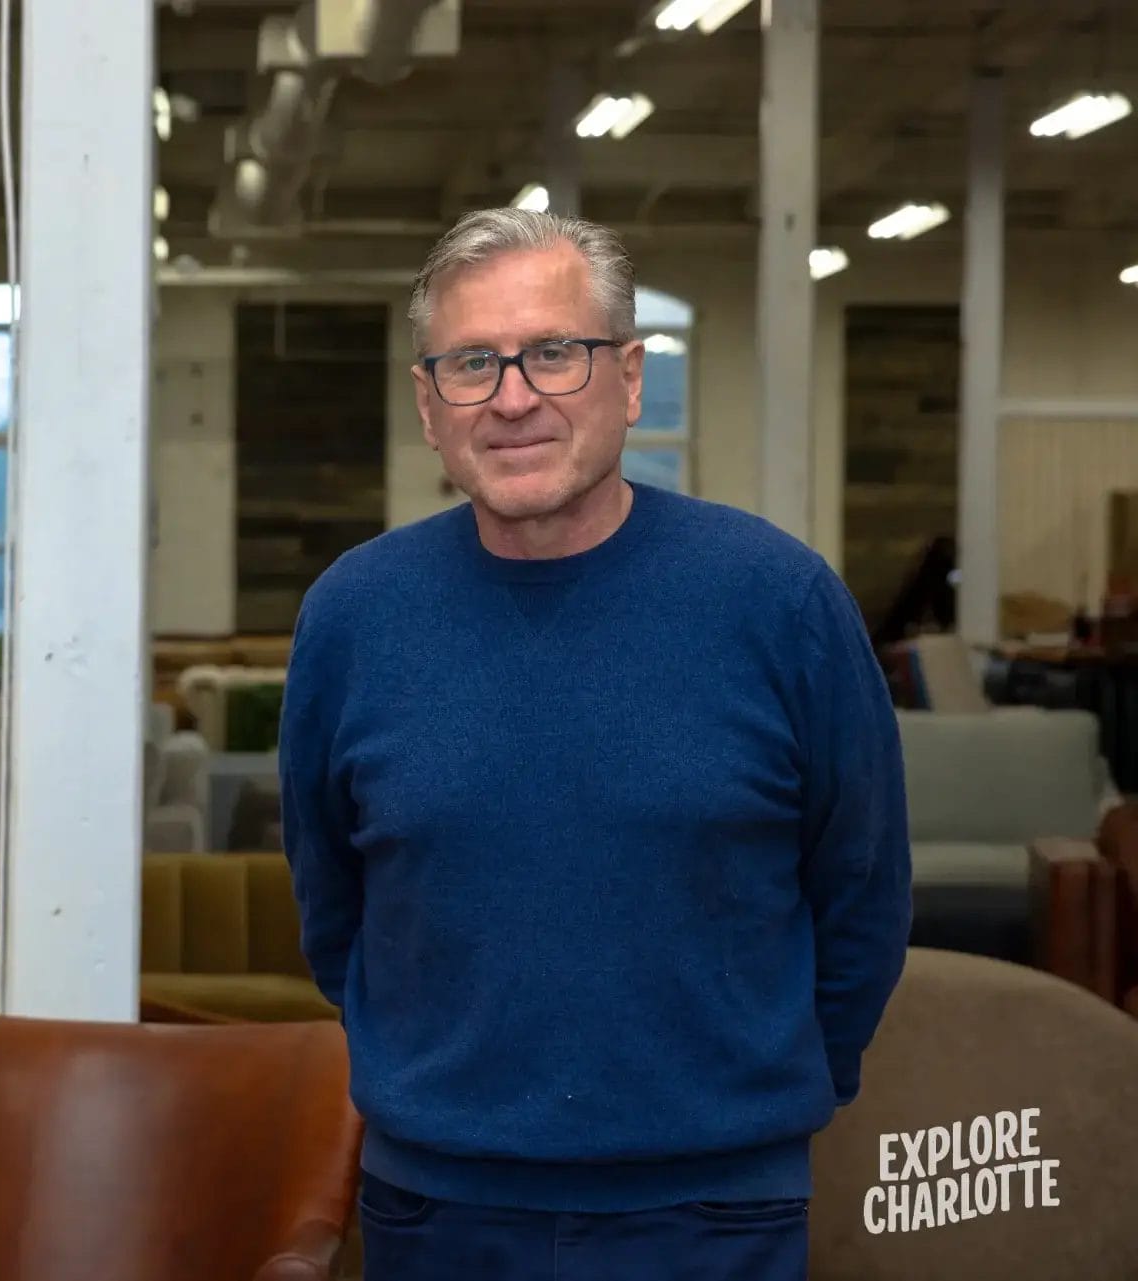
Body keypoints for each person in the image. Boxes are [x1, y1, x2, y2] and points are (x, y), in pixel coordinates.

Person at [278, 208, 911, 1281]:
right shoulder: (353, 616)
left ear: (628, 378)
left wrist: (746, 1100)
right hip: (438, 1207)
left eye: (553, 354)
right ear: (430, 407)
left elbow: (861, 891)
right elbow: (333, 902)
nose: (513, 396)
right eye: (472, 363)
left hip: (717, 1207)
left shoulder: (779, 601)